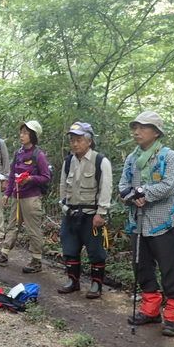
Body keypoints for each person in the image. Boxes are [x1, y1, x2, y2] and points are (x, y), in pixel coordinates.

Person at [120, 111, 174, 336]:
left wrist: (142, 192)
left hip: (163, 221)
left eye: (142, 127)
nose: (136, 132)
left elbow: (169, 185)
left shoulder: (170, 157)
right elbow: (123, 184)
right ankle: (150, 310)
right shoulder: (131, 158)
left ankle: (173, 315)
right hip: (137, 221)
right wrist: (130, 195)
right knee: (142, 266)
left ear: (156, 132)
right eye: (135, 127)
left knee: (169, 268)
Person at [0, 120, 50, 272]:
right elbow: (13, 175)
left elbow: (46, 176)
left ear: (33, 136)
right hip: (17, 196)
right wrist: (7, 194)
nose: (22, 136)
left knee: (33, 229)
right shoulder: (19, 153)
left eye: (26, 133)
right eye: (21, 132)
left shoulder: (38, 155)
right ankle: (3, 254)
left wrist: (31, 179)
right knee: (12, 226)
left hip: (31, 198)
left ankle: (36, 260)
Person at [58, 122, 112, 299]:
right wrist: (63, 206)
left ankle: (97, 284)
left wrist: (101, 213)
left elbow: (106, 188)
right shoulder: (68, 162)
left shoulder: (100, 161)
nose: (74, 144)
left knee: (95, 251)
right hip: (71, 213)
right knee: (70, 248)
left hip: (91, 216)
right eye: (72, 140)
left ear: (89, 141)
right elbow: (63, 187)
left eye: (79, 140)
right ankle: (73, 281)